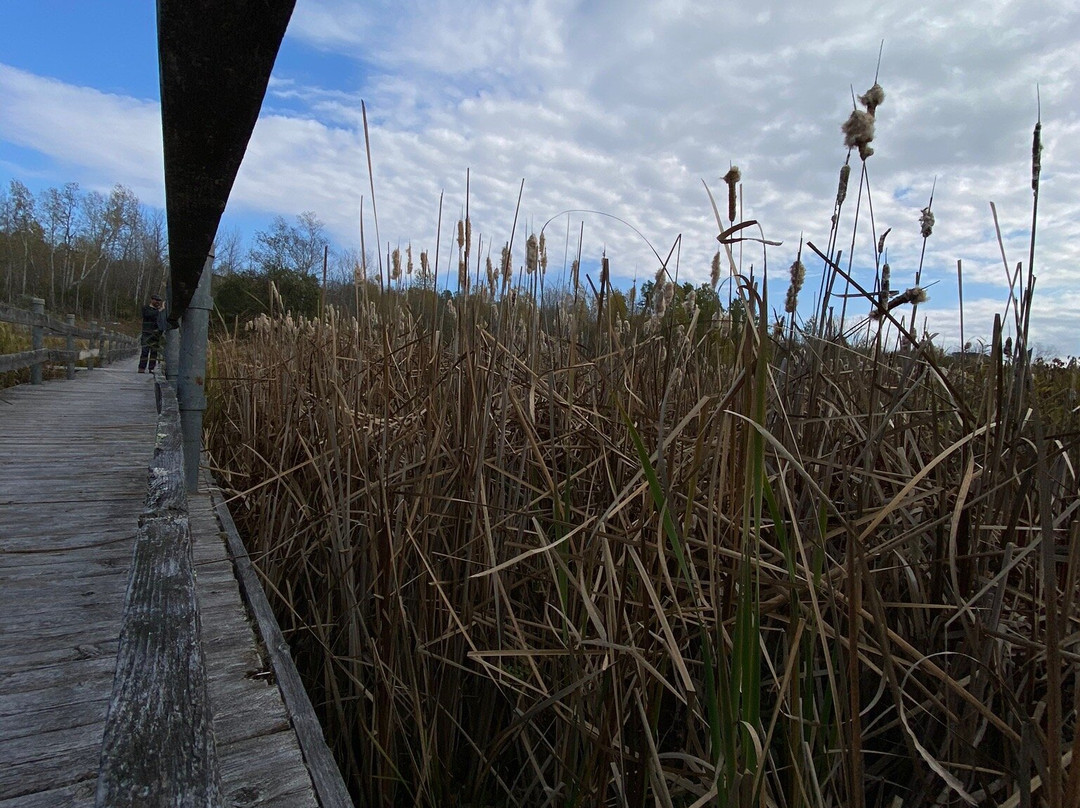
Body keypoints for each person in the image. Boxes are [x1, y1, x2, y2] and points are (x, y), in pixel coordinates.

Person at [138, 294, 168, 373]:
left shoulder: (159, 311)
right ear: (152, 300)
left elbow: (162, 321)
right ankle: (141, 368)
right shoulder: (146, 308)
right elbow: (148, 315)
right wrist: (159, 311)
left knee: (154, 352)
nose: (158, 302)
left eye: (159, 301)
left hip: (156, 333)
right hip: (146, 333)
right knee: (145, 351)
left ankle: (151, 368)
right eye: (156, 300)